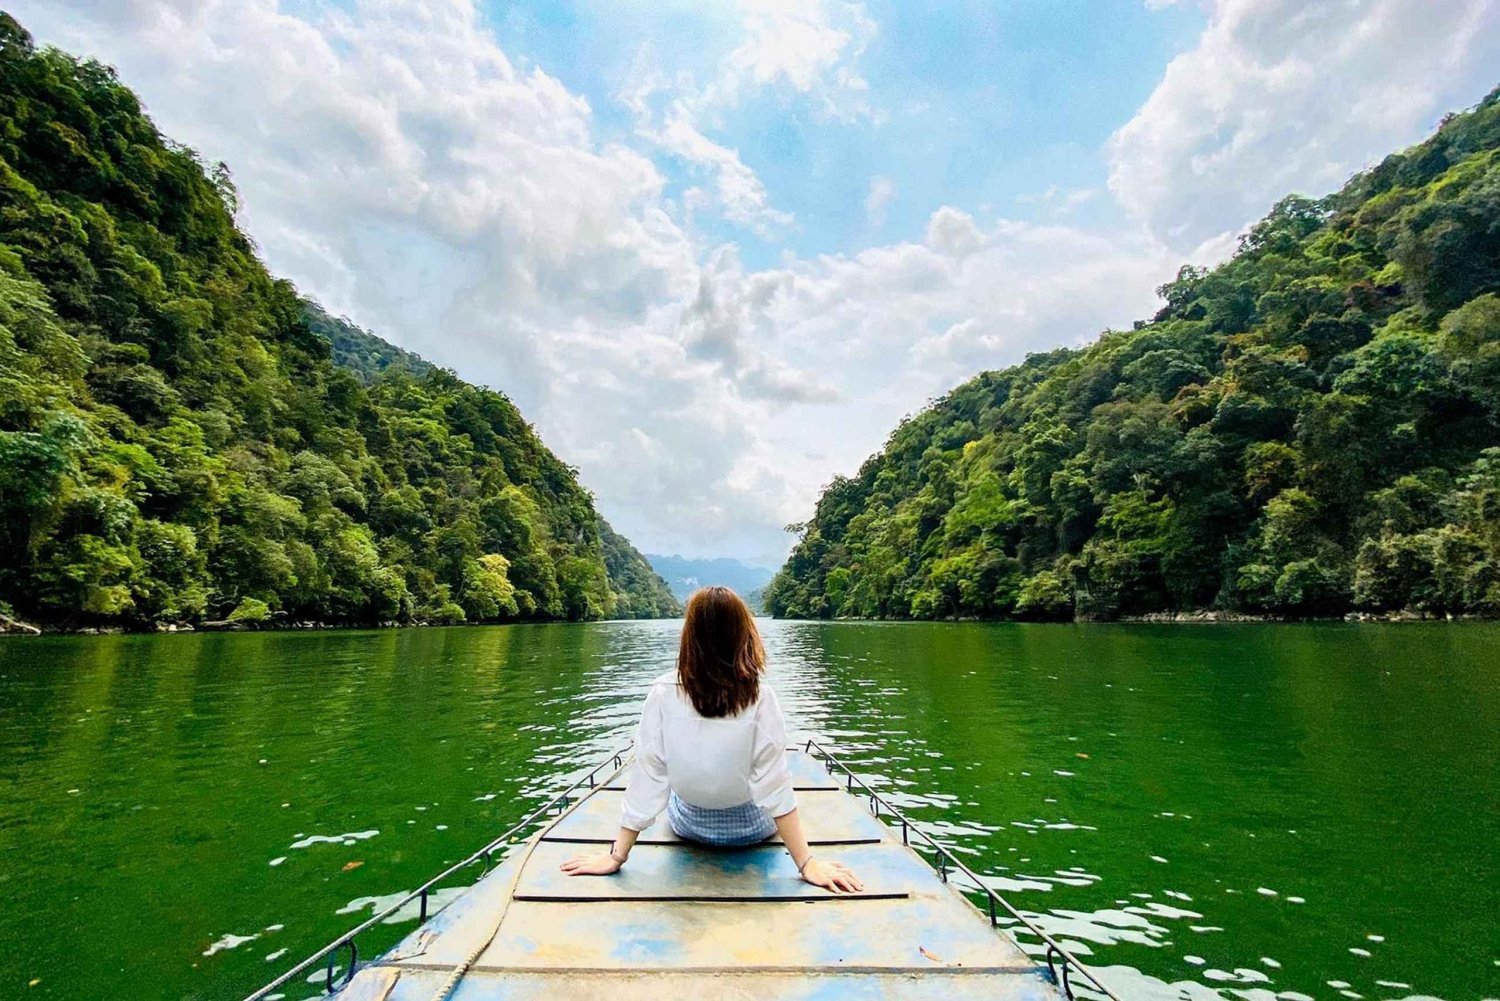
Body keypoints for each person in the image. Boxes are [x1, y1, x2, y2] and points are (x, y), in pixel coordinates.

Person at [560, 586, 863, 894]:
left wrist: (616, 855)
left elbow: (649, 776)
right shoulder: (760, 697)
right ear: (743, 632)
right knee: (772, 768)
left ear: (690, 636)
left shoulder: (663, 692)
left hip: (690, 827)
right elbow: (775, 786)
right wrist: (807, 863)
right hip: (753, 829)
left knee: (673, 785)